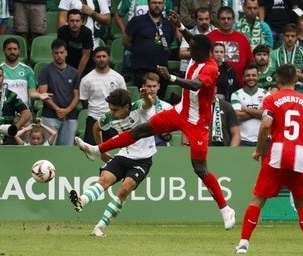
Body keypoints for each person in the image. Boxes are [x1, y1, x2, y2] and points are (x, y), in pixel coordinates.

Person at [75, 12, 236, 230]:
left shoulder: (210, 67)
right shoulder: (198, 52)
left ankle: (225, 209)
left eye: (193, 48)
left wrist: (169, 77)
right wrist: (181, 27)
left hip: (198, 122)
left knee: (200, 168)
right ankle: (97, 150)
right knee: (141, 129)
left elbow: (196, 86)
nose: (189, 49)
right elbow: (194, 41)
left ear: (201, 52)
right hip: (181, 111)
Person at [234, 64, 303, 255]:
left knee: (258, 199)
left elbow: (265, 125)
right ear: (296, 80)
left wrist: (259, 151)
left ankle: (243, 244)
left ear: (277, 80)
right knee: (302, 202)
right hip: (301, 153)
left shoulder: (272, 98)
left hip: (278, 152)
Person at [70, 87, 156, 237]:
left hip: (142, 160)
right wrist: (103, 152)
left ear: (126, 107)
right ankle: (81, 200)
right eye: (110, 109)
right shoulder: (110, 117)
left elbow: (149, 103)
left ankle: (100, 227)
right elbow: (96, 127)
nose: (112, 113)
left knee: (124, 189)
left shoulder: (138, 109)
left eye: (115, 110)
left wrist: (147, 97)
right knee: (103, 180)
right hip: (123, 155)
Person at [123, 0, 175, 98]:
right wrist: (141, 50)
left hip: (162, 71)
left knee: (159, 103)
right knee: (142, 102)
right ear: (148, 4)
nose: (157, 5)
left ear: (163, 5)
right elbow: (126, 42)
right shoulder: (137, 21)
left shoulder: (168, 24)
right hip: (141, 69)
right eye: (154, 3)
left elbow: (169, 43)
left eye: (160, 3)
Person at [79, 46, 126, 145]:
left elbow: (124, 99)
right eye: (98, 57)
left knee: (115, 149)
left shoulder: (118, 78)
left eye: (104, 56)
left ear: (108, 57)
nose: (101, 59)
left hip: (113, 120)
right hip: (93, 118)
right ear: (94, 59)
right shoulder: (86, 79)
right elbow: (84, 100)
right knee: (91, 150)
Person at [37, 39, 80, 146]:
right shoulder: (45, 71)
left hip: (70, 116)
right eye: (56, 53)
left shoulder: (74, 72)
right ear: (52, 54)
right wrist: (58, 109)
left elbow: (77, 95)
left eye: (61, 52)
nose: (59, 55)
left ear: (66, 53)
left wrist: (66, 111)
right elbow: (43, 94)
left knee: (67, 150)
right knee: (48, 149)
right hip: (50, 116)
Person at [0, 37, 51, 110]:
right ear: (4, 50)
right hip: (4, 111)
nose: (12, 52)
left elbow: (32, 92)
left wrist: (40, 95)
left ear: (19, 51)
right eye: (9, 49)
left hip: (23, 112)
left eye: (15, 49)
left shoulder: (27, 70)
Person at [207, 6, 254, 86]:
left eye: (229, 18)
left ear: (233, 20)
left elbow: (250, 63)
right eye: (223, 18)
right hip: (213, 85)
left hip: (239, 85)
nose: (226, 21)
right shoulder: (209, 38)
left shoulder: (242, 39)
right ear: (218, 20)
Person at [231, 63, 268, 147]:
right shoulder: (236, 94)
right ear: (243, 78)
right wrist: (259, 112)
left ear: (258, 77)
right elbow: (238, 116)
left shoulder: (266, 94)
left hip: (263, 140)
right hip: (243, 140)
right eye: (248, 75)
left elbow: (267, 115)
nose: (251, 78)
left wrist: (246, 109)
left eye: (254, 75)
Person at [270, 23, 303, 93]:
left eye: (292, 36)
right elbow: (271, 74)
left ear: (297, 37)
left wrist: (292, 72)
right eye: (287, 36)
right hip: (280, 88)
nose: (290, 38)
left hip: (299, 89)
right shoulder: (274, 53)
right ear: (283, 37)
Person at [57, 9, 94, 78]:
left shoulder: (87, 33)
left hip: (85, 65)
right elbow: (61, 52)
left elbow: (85, 56)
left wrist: (76, 77)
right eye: (72, 21)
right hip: (68, 62)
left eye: (77, 21)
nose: (75, 24)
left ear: (82, 22)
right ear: (67, 21)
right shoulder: (62, 31)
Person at [179, 7, 215, 74]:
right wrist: (201, 54)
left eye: (206, 19)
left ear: (210, 19)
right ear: (196, 20)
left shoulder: (215, 32)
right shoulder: (189, 33)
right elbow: (182, 53)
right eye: (201, 19)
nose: (204, 22)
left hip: (210, 70)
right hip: (191, 70)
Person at [141, 72, 172, 146]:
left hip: (162, 146)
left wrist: (167, 133)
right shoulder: (137, 106)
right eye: (149, 86)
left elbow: (169, 135)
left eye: (154, 86)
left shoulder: (167, 107)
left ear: (158, 86)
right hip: (142, 146)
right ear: (143, 87)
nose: (152, 89)